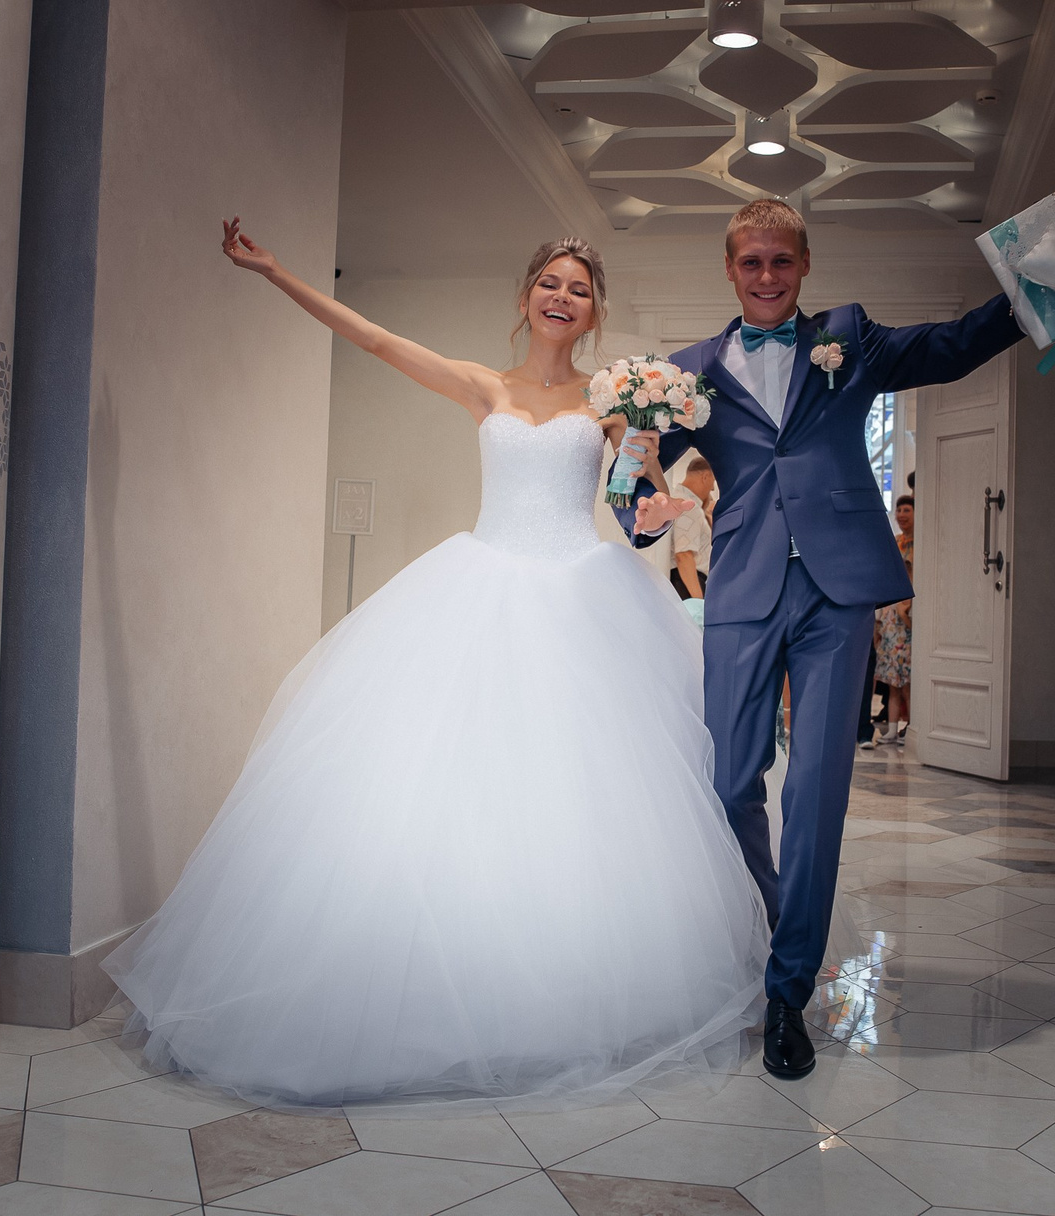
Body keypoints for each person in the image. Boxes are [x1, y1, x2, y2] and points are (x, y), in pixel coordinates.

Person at [102, 224, 769, 1110]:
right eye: (551, 283)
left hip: (583, 597)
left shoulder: (612, 402)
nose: (562, 297)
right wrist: (276, 274)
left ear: (594, 312)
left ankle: (557, 990)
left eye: (578, 289)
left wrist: (651, 484)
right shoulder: (484, 385)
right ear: (527, 296)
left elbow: (632, 508)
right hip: (481, 583)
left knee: (569, 796)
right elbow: (377, 340)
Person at [613, 194, 1055, 1079]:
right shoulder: (686, 372)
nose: (767, 276)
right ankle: (772, 924)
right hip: (744, 584)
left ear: (804, 266)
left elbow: (954, 344)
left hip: (837, 591)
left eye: (782, 261)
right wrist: (636, 500)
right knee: (728, 784)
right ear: (730, 269)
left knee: (817, 792)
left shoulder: (850, 338)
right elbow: (635, 474)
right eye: (752, 261)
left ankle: (788, 988)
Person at [873, 494, 916, 744]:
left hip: (908, 617)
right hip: (890, 619)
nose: (901, 515)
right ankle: (891, 729)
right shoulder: (896, 543)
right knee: (892, 682)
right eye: (898, 510)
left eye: (906, 510)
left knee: (907, 683)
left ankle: (910, 728)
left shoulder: (920, 545)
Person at [669, 454, 715, 601]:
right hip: (689, 585)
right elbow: (684, 555)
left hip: (685, 583)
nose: (713, 488)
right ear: (705, 477)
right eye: (713, 482)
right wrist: (698, 601)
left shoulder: (678, 500)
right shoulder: (689, 506)